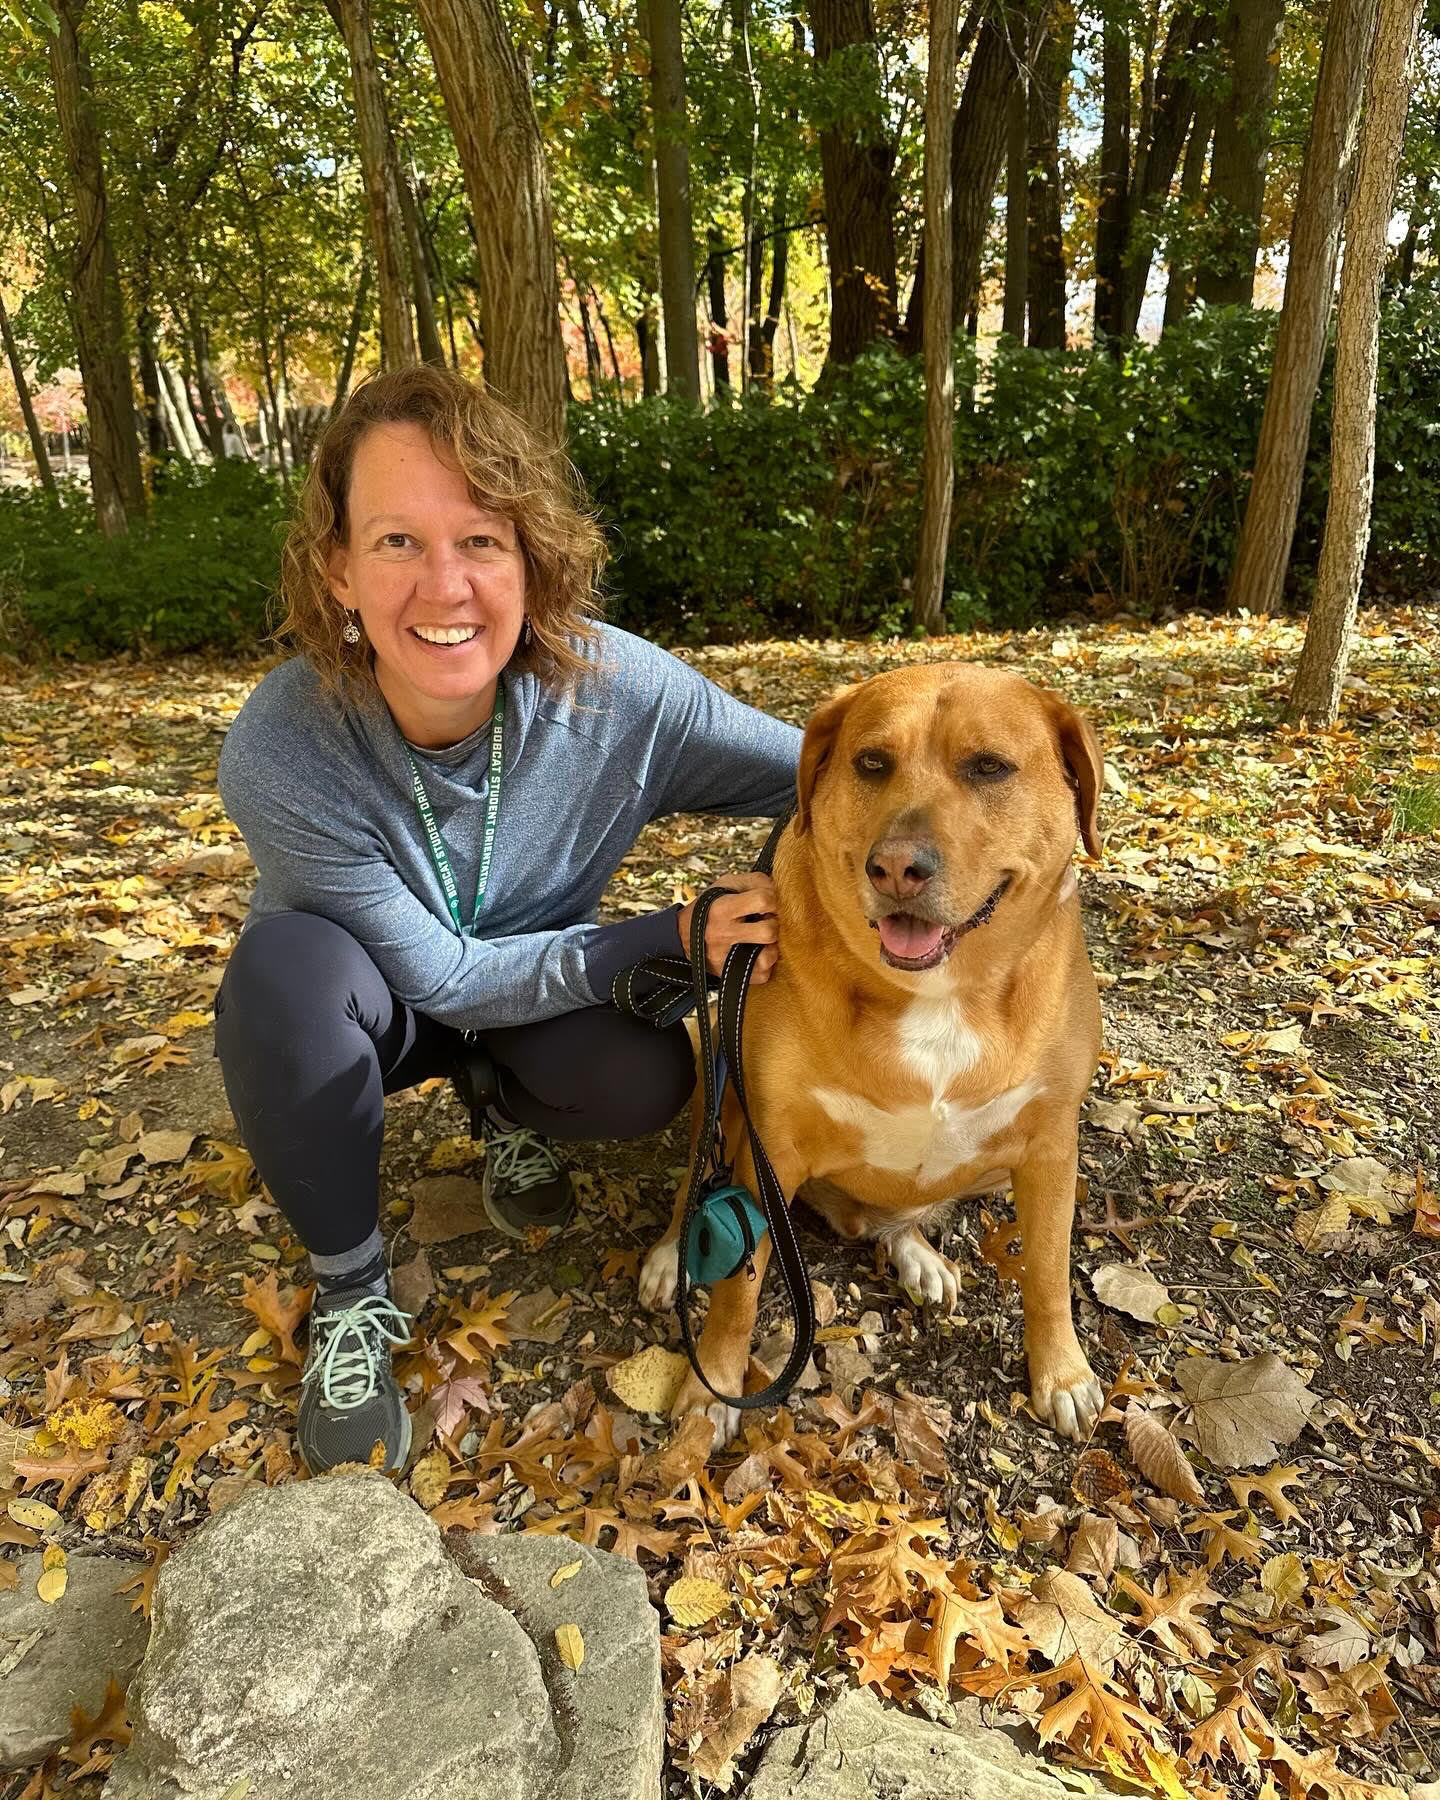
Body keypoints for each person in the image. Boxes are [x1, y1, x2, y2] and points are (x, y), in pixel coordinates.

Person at [214, 365, 800, 1476]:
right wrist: (671, 937)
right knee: (280, 976)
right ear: (338, 568)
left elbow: (825, 771)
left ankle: (501, 1106)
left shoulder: (619, 692)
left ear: (533, 559)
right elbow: (440, 973)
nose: (445, 586)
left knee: (646, 1079)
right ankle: (350, 1288)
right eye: (396, 541)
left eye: (482, 539)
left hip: (533, 998)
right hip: (370, 1009)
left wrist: (960, 796)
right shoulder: (286, 742)